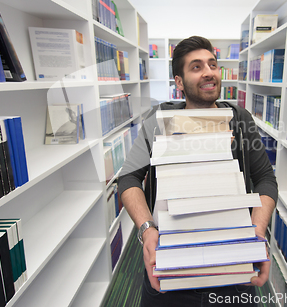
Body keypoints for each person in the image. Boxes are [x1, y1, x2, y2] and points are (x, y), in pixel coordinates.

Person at [118, 36, 278, 306]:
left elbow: (265, 179)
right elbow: (128, 178)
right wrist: (147, 230)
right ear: (179, 82)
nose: (209, 72)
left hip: (232, 266)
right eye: (196, 67)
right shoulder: (158, 120)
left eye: (213, 64)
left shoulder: (240, 119)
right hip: (171, 263)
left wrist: (257, 232)